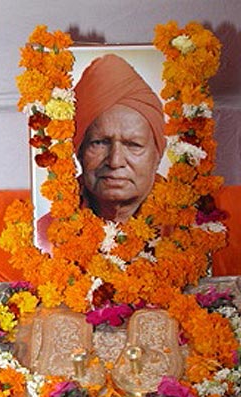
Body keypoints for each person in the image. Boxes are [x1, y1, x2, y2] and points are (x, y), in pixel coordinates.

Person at [37, 53, 166, 253]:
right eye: (99, 143)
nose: (115, 162)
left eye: (133, 144)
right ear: (78, 151)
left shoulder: (187, 227)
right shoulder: (49, 231)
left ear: (158, 154)